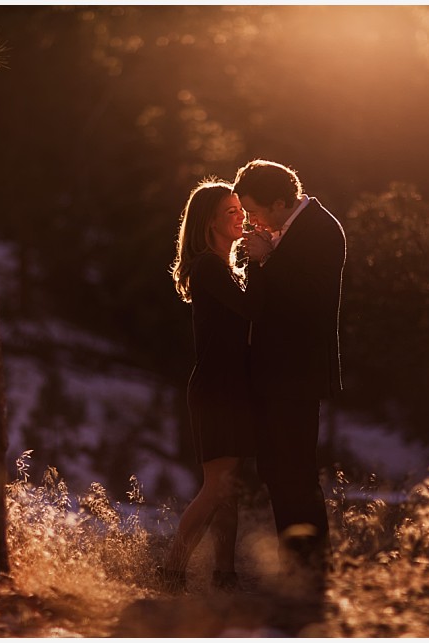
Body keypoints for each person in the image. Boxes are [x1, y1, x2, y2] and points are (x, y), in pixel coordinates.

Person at [235, 159, 346, 592]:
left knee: (295, 472)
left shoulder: (321, 229)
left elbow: (312, 301)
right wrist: (262, 259)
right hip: (275, 375)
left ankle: (310, 571)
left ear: (280, 202)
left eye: (253, 210)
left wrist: (269, 259)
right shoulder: (284, 232)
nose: (250, 220)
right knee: (277, 472)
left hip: (297, 374)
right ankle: (295, 566)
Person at [160, 178, 258, 593]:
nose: (241, 218)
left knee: (229, 487)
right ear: (208, 223)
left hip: (231, 388)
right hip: (216, 388)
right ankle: (172, 570)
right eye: (230, 213)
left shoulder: (226, 269)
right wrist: (263, 261)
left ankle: (225, 575)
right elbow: (253, 310)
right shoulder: (208, 268)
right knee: (217, 484)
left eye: (241, 210)